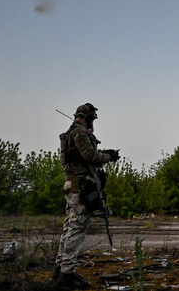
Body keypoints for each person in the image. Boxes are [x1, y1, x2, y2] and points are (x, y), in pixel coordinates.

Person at [53, 103, 119, 289]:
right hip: (80, 186)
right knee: (76, 227)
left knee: (69, 227)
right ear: (83, 117)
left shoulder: (70, 134)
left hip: (72, 185)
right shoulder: (79, 133)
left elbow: (85, 156)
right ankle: (67, 273)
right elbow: (89, 156)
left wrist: (103, 153)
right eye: (90, 119)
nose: (92, 124)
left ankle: (60, 269)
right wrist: (108, 157)